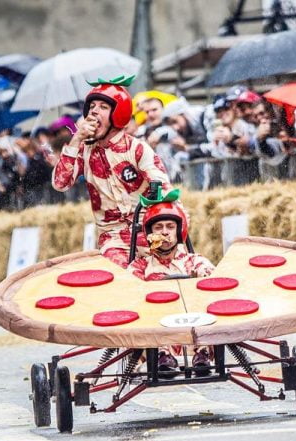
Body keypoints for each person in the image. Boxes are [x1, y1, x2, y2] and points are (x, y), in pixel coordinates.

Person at [52, 76, 172, 269]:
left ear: (118, 114)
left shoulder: (138, 149)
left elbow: (165, 192)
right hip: (113, 238)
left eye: (103, 107)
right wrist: (76, 139)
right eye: (92, 107)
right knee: (120, 272)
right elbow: (60, 184)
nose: (94, 111)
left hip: (149, 230)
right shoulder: (83, 150)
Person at [128, 193, 215, 376]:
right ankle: (161, 355)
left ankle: (203, 353)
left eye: (170, 226)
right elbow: (129, 292)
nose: (165, 232)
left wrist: (201, 277)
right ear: (150, 234)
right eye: (158, 227)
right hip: (155, 330)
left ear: (179, 231)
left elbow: (211, 277)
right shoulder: (139, 266)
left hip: (192, 326)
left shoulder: (194, 261)